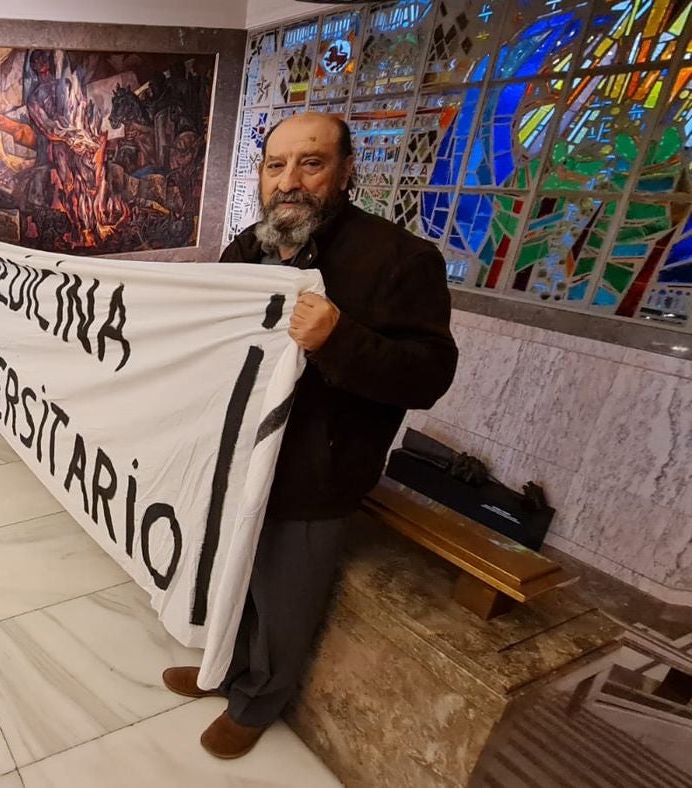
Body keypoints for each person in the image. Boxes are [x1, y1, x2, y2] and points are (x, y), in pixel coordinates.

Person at [162, 112, 458, 760]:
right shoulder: (249, 247)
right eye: (276, 165)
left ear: (348, 171)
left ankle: (259, 699)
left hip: (316, 471)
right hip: (240, 456)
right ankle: (222, 668)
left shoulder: (401, 261)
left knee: (285, 595)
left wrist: (338, 339)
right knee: (233, 572)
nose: (289, 181)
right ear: (262, 176)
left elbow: (430, 375)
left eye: (311, 162)